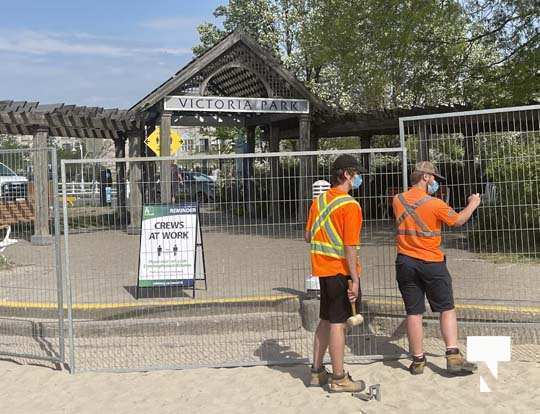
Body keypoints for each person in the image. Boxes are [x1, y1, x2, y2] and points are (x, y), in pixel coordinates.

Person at [393, 161, 481, 375]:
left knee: (414, 312)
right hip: (432, 262)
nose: (435, 183)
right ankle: (452, 356)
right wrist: (473, 203)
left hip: (405, 262)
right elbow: (458, 220)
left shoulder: (397, 200)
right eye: (433, 179)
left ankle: (417, 361)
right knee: (446, 308)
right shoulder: (435, 204)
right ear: (425, 177)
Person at [304, 154, 366, 392]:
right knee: (338, 324)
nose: (358, 178)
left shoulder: (319, 202)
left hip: (323, 270)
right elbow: (350, 247)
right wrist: (355, 280)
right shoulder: (350, 205)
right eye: (356, 173)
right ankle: (339, 378)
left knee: (326, 320)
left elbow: (308, 236)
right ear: (347, 175)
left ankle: (316, 372)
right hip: (341, 271)